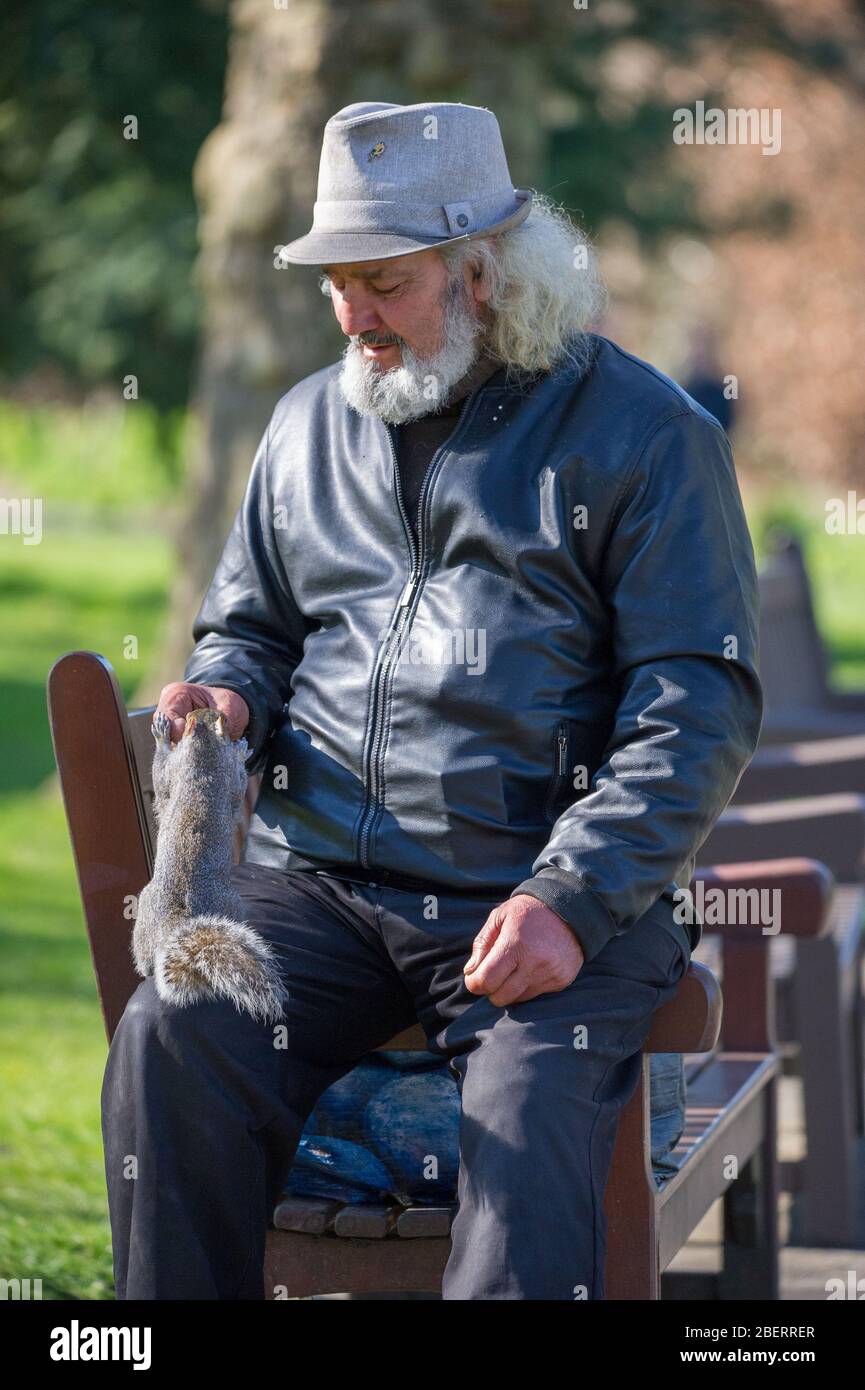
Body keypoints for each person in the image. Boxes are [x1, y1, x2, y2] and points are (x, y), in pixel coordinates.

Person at [101, 100, 763, 1300]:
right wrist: (232, 693)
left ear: (483, 271)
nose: (354, 316)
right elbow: (249, 625)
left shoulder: (647, 435)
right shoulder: (305, 424)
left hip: (556, 895)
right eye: (335, 285)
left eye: (385, 283)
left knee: (519, 1119)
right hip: (328, 896)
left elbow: (696, 702)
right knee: (175, 1033)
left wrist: (570, 894)